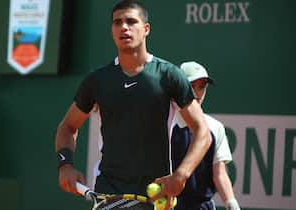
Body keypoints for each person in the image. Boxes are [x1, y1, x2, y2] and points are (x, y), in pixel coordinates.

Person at [55, 1, 211, 209]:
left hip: (154, 195)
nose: (124, 27)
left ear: (146, 29)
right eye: (117, 22)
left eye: (131, 21)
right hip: (109, 193)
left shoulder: (169, 75)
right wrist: (65, 165)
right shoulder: (98, 80)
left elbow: (203, 132)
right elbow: (67, 127)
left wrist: (182, 174)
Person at [171, 61, 241, 210]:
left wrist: (231, 203)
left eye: (202, 86)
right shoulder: (166, 124)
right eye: (191, 86)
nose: (197, 93)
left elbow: (219, 173)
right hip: (167, 205)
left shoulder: (216, 128)